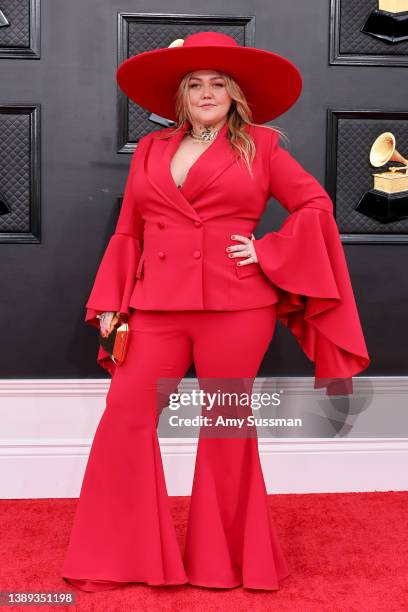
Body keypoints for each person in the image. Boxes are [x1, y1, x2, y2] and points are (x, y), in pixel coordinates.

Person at [61, 31, 370, 593]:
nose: (207, 92)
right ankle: (122, 557)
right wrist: (109, 301)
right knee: (126, 416)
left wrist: (268, 250)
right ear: (180, 97)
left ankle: (223, 563)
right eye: (195, 84)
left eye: (218, 83)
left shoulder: (263, 146)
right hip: (155, 306)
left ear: (234, 93)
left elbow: (315, 205)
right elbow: (129, 229)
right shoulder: (153, 150)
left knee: (225, 426)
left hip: (237, 306)